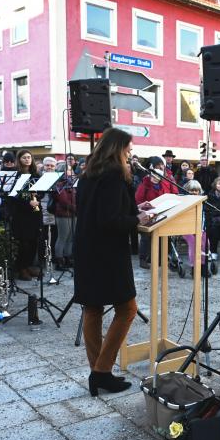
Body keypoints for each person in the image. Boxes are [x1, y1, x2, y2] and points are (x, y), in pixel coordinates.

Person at [74, 128, 152, 395]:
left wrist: (135, 209)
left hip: (87, 250)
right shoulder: (114, 175)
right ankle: (102, 371)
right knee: (128, 309)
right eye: (128, 149)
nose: (130, 154)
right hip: (107, 254)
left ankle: (99, 371)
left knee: (93, 309)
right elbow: (109, 220)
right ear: (117, 149)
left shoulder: (88, 174)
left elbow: (102, 210)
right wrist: (137, 220)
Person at [9, 150, 42, 281]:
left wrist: (38, 198)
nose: (27, 159)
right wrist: (28, 202)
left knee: (34, 241)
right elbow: (13, 197)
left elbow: (43, 191)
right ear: (19, 159)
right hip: (22, 214)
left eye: (29, 157)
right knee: (24, 242)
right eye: (24, 157)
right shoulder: (16, 176)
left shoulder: (36, 175)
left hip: (35, 212)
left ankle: (28, 266)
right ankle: (21, 268)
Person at [135, 166, 166, 269]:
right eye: (153, 176)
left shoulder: (162, 186)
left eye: (157, 176)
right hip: (145, 213)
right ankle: (143, 259)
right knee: (146, 236)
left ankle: (156, 258)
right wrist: (145, 206)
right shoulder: (144, 185)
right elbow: (138, 200)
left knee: (159, 235)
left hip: (158, 213)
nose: (155, 178)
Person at [52, 165, 77, 269]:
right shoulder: (58, 184)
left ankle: (68, 258)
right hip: (63, 214)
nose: (71, 173)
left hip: (73, 214)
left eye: (71, 170)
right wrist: (77, 208)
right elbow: (63, 200)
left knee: (71, 238)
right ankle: (59, 260)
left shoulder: (72, 183)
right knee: (62, 237)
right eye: (68, 170)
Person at [39, 157, 58, 270]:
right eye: (47, 165)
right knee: (43, 236)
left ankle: (53, 258)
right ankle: (42, 260)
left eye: (52, 166)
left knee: (55, 235)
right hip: (43, 208)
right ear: (43, 166)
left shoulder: (59, 178)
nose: (50, 167)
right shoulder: (39, 177)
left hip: (55, 209)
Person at [205, 176, 220, 258]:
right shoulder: (210, 195)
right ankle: (213, 252)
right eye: (219, 183)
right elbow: (207, 209)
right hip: (212, 221)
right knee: (213, 231)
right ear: (215, 185)